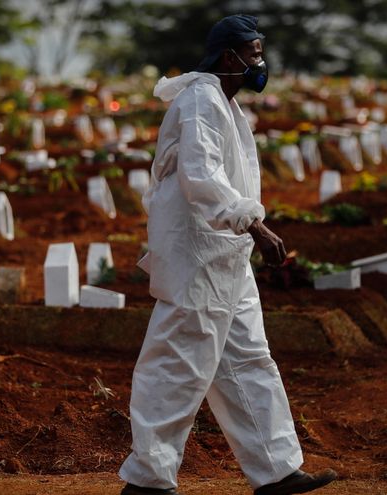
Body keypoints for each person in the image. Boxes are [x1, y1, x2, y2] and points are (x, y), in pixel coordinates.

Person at [118, 14, 337, 495]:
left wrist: (244, 230)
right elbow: (200, 175)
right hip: (199, 256)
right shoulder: (200, 101)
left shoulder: (224, 103)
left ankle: (276, 471)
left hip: (225, 256)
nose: (261, 62)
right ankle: (147, 481)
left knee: (248, 361)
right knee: (178, 363)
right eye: (254, 53)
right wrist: (253, 223)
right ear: (228, 56)